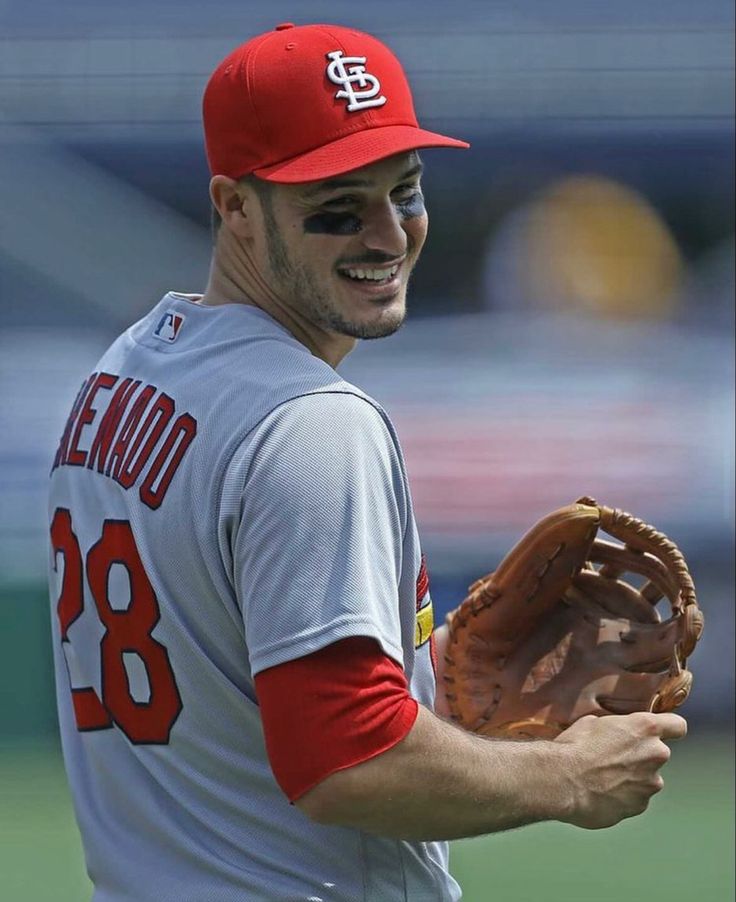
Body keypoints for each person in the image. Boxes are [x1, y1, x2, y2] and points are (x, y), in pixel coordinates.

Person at [47, 22, 687, 902]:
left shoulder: (122, 376)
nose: (388, 236)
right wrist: (569, 776)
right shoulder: (311, 421)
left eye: (406, 191)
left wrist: (421, 659)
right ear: (235, 206)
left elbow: (232, 665)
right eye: (338, 207)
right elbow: (344, 758)